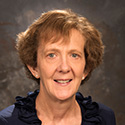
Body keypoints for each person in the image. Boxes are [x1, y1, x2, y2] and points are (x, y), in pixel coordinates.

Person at [0, 9, 116, 125]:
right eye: (52, 55)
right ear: (34, 67)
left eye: (74, 55)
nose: (64, 68)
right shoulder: (7, 121)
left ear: (86, 69)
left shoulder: (105, 118)